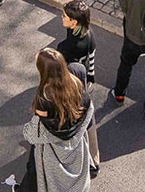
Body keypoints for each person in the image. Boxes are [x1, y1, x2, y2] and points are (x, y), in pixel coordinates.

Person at [15, 49, 98, 191]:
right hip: (77, 148)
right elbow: (88, 109)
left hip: (52, 156)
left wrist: (30, 128)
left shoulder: (44, 98)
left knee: (37, 174)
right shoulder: (76, 84)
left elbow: (33, 133)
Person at [56, 0, 96, 84]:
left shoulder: (73, 45)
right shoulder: (87, 30)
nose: (62, 17)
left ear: (74, 22)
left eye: (64, 16)